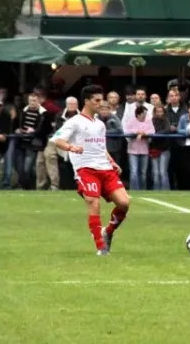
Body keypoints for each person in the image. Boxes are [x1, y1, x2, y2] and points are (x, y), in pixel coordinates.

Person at [51, 85, 130, 256]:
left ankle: (107, 232)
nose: (100, 104)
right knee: (93, 202)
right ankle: (101, 247)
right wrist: (71, 147)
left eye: (101, 100)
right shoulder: (74, 122)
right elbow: (57, 139)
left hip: (105, 169)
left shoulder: (100, 124)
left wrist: (112, 161)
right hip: (85, 169)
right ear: (86, 101)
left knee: (124, 203)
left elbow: (101, 146)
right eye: (97, 100)